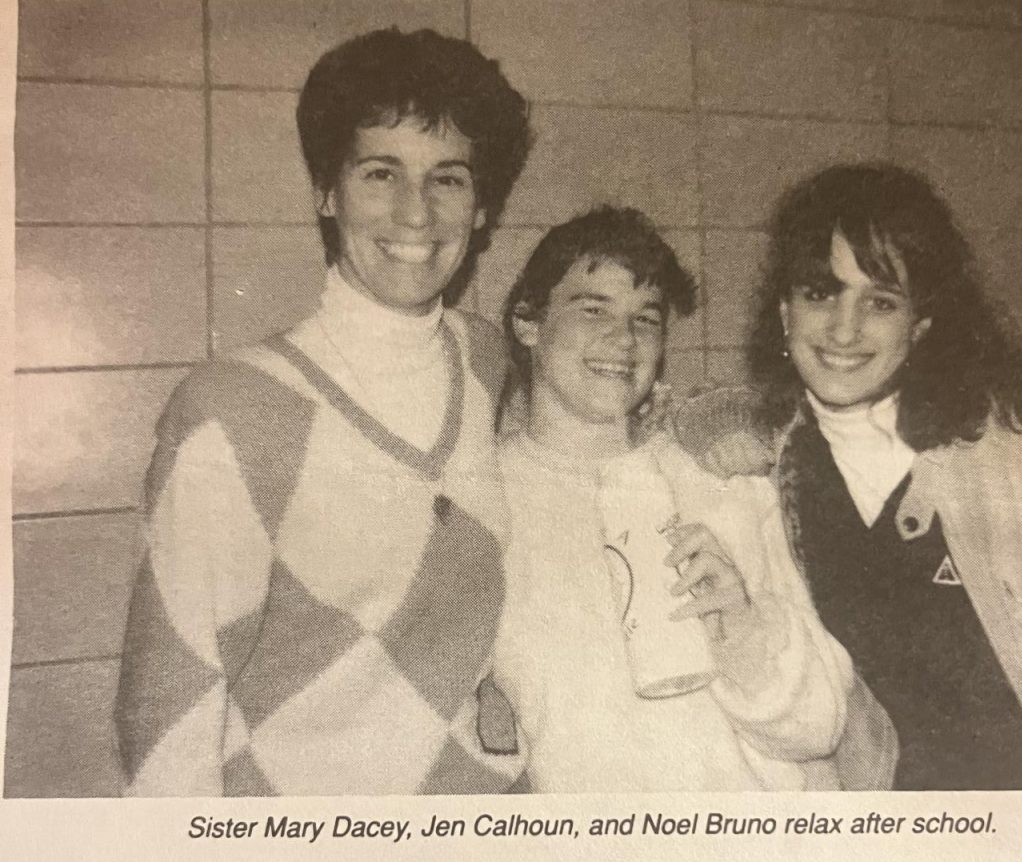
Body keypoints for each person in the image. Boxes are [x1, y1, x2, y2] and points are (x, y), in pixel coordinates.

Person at [115, 28, 531, 796]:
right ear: (326, 191)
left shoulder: (487, 362)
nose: (417, 213)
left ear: (481, 209)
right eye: (381, 173)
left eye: (449, 179)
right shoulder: (231, 409)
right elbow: (166, 716)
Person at [738, 162, 1022, 789]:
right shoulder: (764, 474)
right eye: (821, 293)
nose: (844, 329)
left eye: (880, 301)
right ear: (784, 313)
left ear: (921, 326)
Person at [493, 205, 896, 792]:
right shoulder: (483, 499)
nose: (623, 340)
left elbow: (820, 726)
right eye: (593, 309)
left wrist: (741, 624)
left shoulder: (718, 480)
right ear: (528, 323)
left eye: (646, 319)